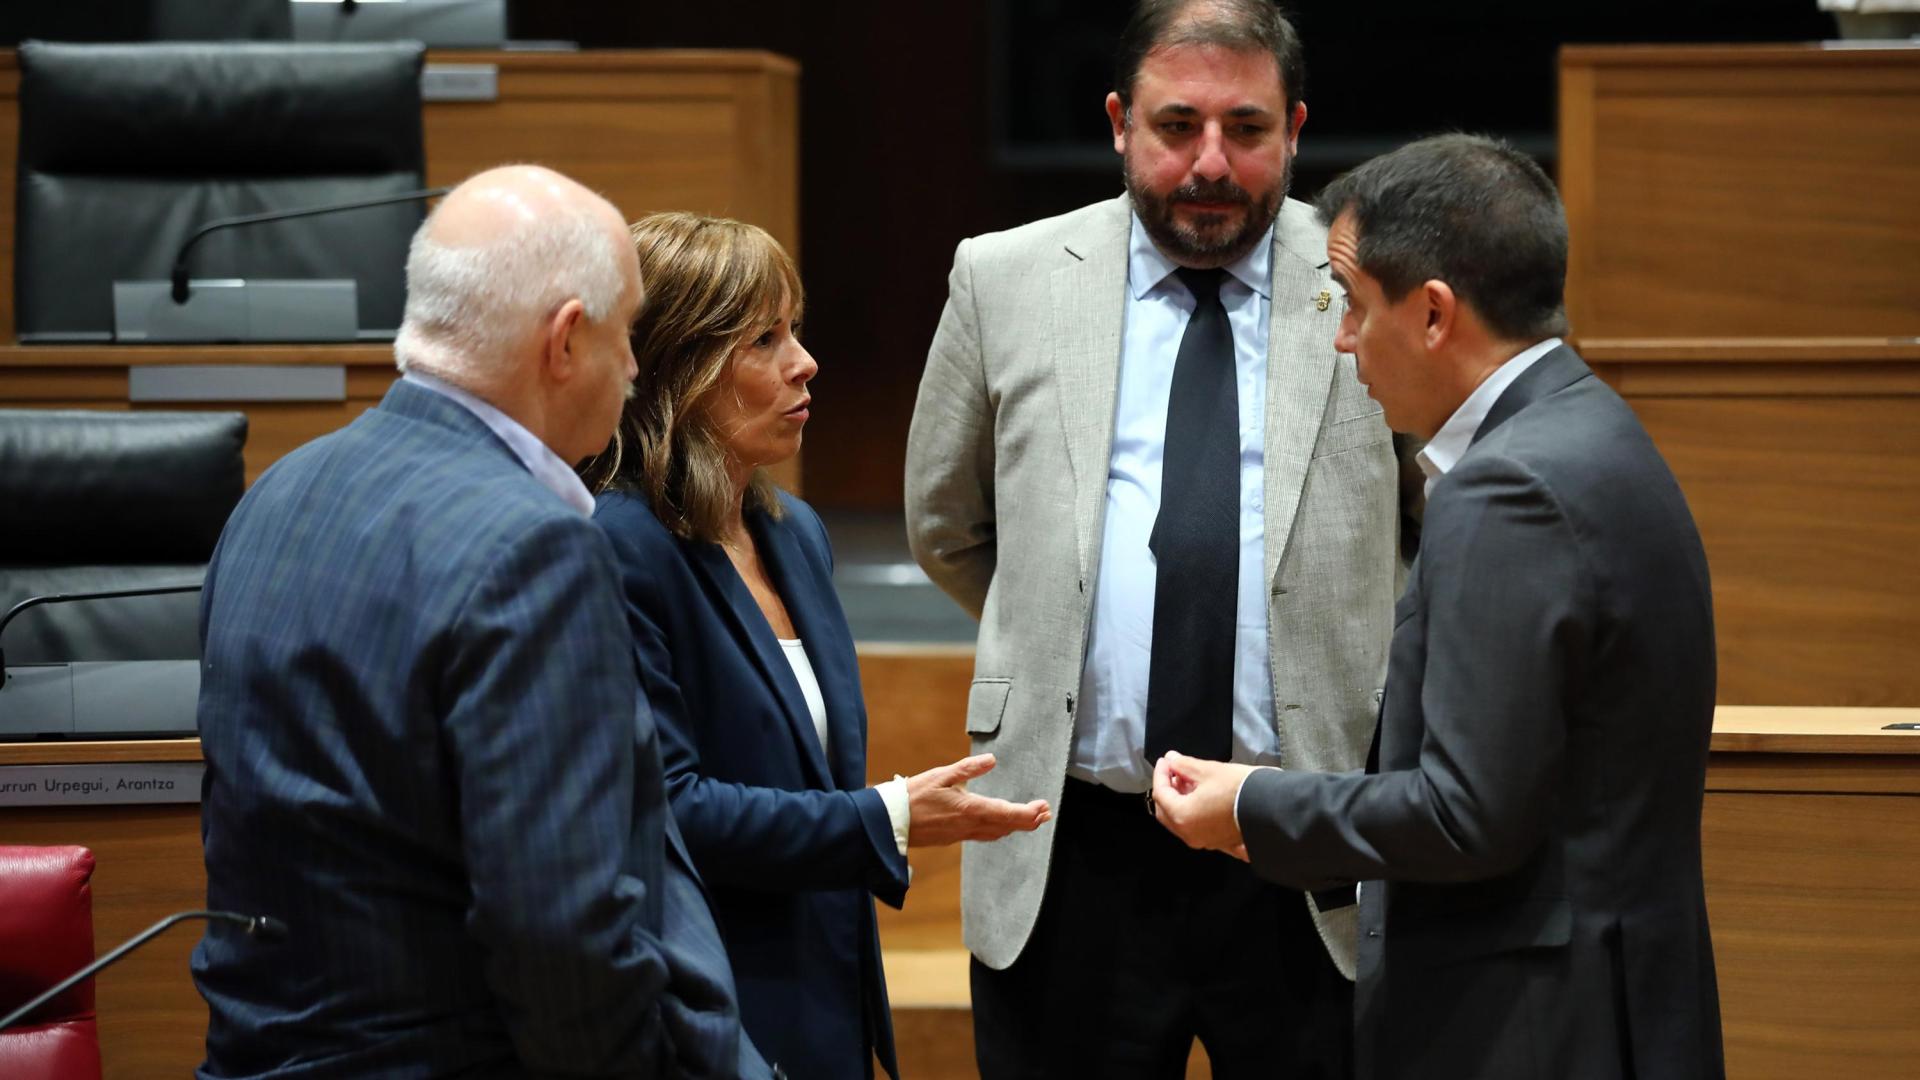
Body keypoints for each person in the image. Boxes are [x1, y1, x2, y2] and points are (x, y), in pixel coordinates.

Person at [905, 1, 1415, 1075]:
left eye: (1247, 128)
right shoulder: (1005, 276)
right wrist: (1071, 631)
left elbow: (1435, 533)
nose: (1211, 163)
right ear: (1118, 124)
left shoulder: (1379, 279)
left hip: (1307, 835)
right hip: (1072, 840)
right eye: (1178, 126)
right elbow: (948, 524)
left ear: (1296, 128)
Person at [1151, 134, 1726, 1079]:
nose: (1342, 339)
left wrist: (1253, 804)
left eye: (1351, 304)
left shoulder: (1509, 488)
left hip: (1536, 1028)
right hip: (1614, 997)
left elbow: (1467, 815)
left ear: (1431, 313)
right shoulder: (1591, 426)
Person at [194, 167, 769, 1079]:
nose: (633, 369)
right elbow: (560, 934)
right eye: (626, 334)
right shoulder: (535, 549)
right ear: (565, 340)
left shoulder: (277, 495)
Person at [586, 212, 1051, 1080]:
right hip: (704, 1005)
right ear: (682, 367)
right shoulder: (619, 546)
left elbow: (812, 779)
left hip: (825, 995)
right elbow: (668, 812)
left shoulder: (794, 533)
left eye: (793, 329)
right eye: (763, 340)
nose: (804, 362)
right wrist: (891, 816)